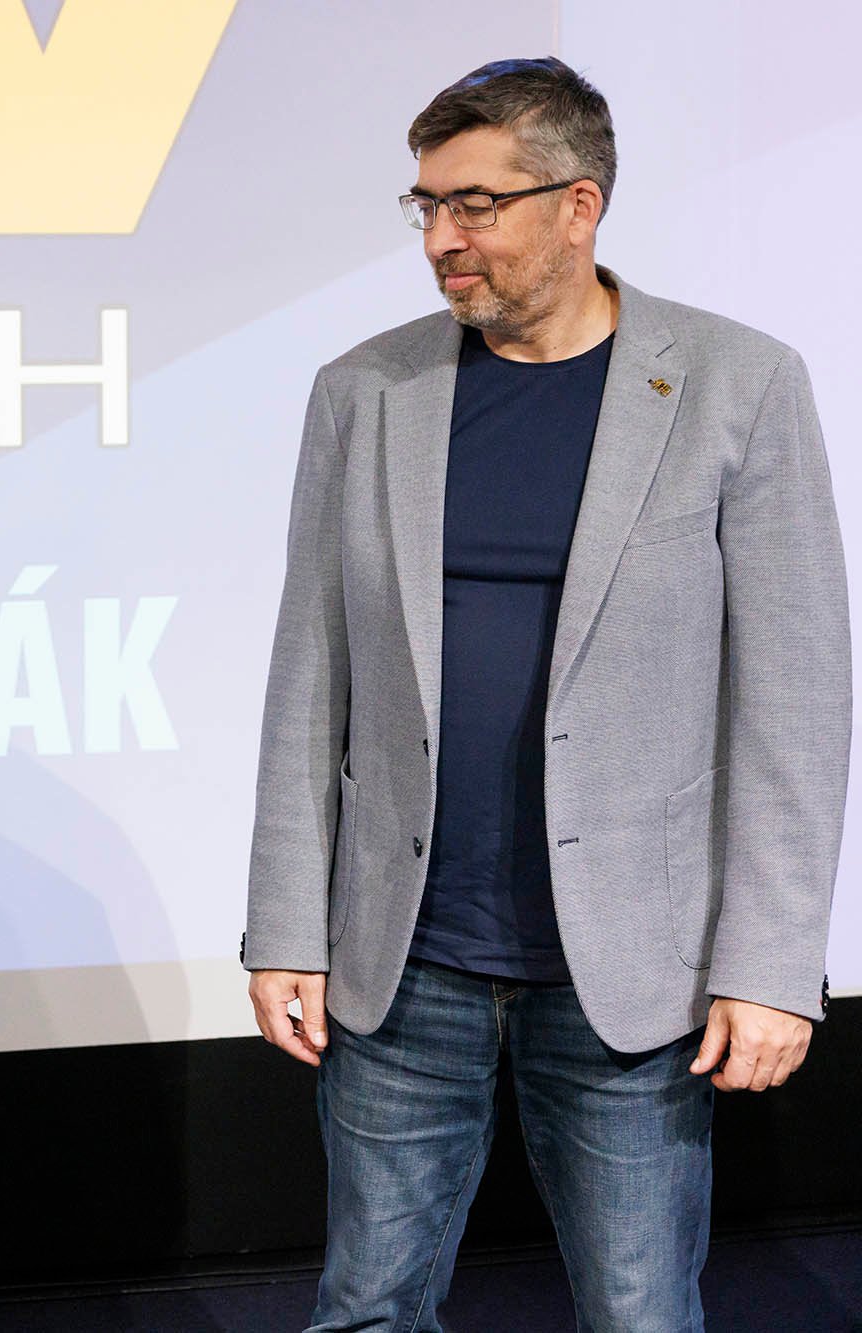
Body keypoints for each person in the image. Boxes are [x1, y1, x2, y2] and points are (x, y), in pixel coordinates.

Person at [242, 58, 848, 1331]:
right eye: (424, 207)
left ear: (578, 206)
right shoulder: (364, 391)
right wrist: (285, 924)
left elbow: (793, 699)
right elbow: (310, 672)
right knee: (365, 1309)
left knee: (637, 1314)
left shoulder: (736, 383)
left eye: (473, 205)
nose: (440, 240)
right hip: (402, 959)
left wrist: (772, 963)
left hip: (630, 968)